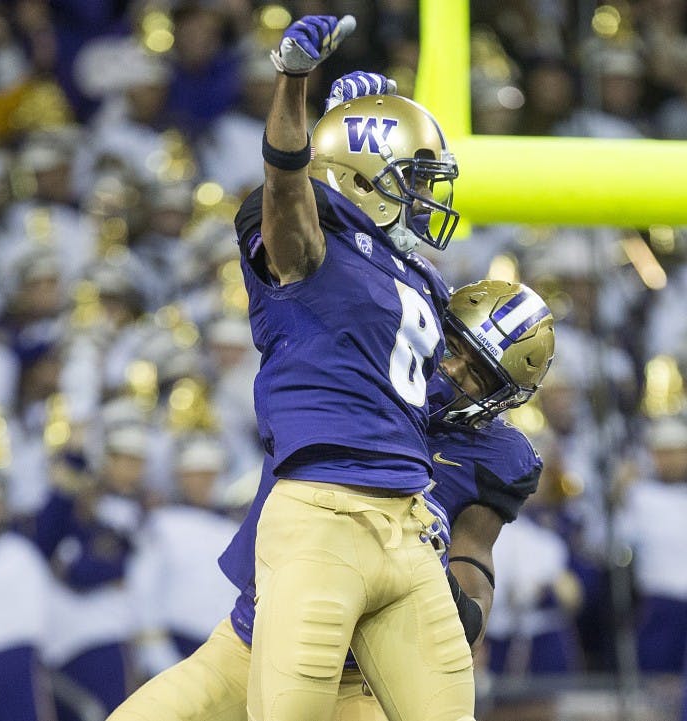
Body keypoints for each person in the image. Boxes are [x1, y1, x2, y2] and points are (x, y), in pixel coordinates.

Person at [107, 279, 556, 721]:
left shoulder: (496, 458)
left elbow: (472, 567)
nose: (454, 370)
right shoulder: (360, 373)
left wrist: (441, 585)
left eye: (478, 373)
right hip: (253, 637)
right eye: (454, 347)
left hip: (363, 677)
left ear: (504, 398)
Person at [232, 15, 466, 721]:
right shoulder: (312, 250)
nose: (429, 194)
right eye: (414, 177)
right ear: (365, 177)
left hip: (407, 521)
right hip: (323, 517)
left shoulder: (412, 275)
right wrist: (295, 85)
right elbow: (285, 192)